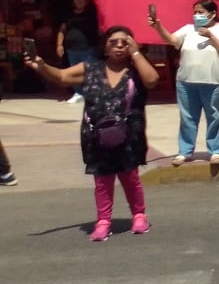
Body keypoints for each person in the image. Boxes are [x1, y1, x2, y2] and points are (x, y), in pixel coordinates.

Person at [24, 25, 161, 241]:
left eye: (124, 42)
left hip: (129, 135)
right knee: (102, 180)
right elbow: (61, 76)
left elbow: (152, 80)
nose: (118, 46)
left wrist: (136, 53)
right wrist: (40, 65)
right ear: (104, 48)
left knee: (130, 177)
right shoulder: (91, 69)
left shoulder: (137, 69)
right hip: (97, 135)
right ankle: (103, 221)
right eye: (112, 42)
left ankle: (139, 215)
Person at [151, 0, 219, 166]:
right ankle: (185, 151)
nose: (197, 16)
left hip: (215, 83)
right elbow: (172, 40)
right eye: (195, 12)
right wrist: (157, 26)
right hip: (186, 82)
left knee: (214, 117)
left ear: (213, 14)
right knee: (187, 117)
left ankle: (215, 150)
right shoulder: (188, 29)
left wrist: (211, 36)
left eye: (201, 12)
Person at [56, 0, 99, 104]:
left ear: (86, 1)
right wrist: (59, 44)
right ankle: (78, 93)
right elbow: (62, 30)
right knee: (74, 71)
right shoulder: (68, 14)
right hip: (72, 49)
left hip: (88, 47)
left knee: (89, 71)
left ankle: (91, 93)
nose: (79, 1)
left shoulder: (92, 14)